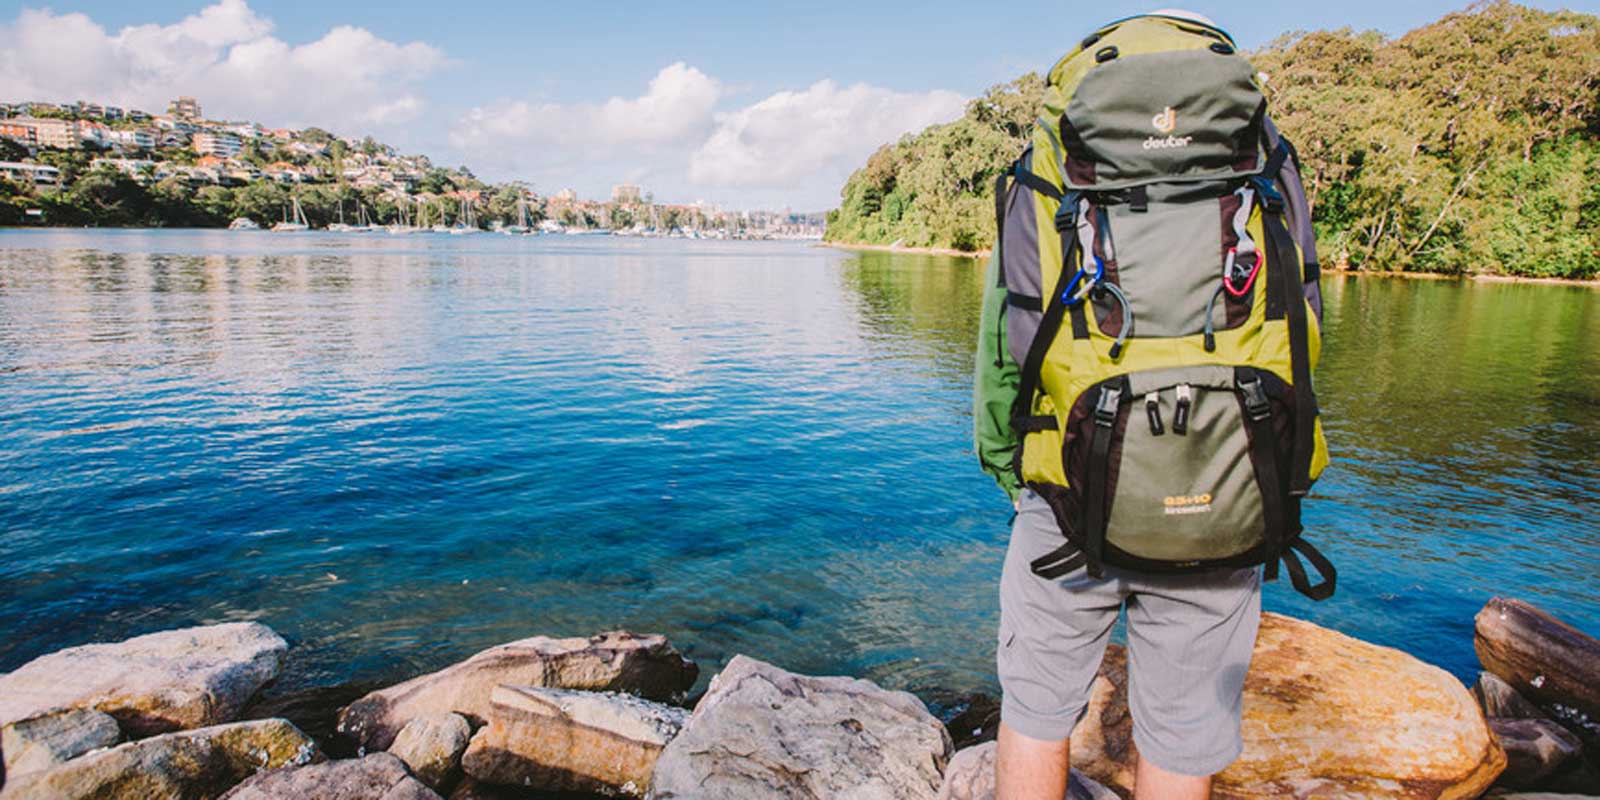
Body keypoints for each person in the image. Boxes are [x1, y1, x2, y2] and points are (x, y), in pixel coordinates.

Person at [971, 10, 1297, 799]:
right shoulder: (1261, 163)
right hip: (1227, 484)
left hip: (1068, 489)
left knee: (1040, 706)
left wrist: (1012, 472)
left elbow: (1005, 342)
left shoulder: (1047, 168)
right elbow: (1303, 326)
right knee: (1184, 727)